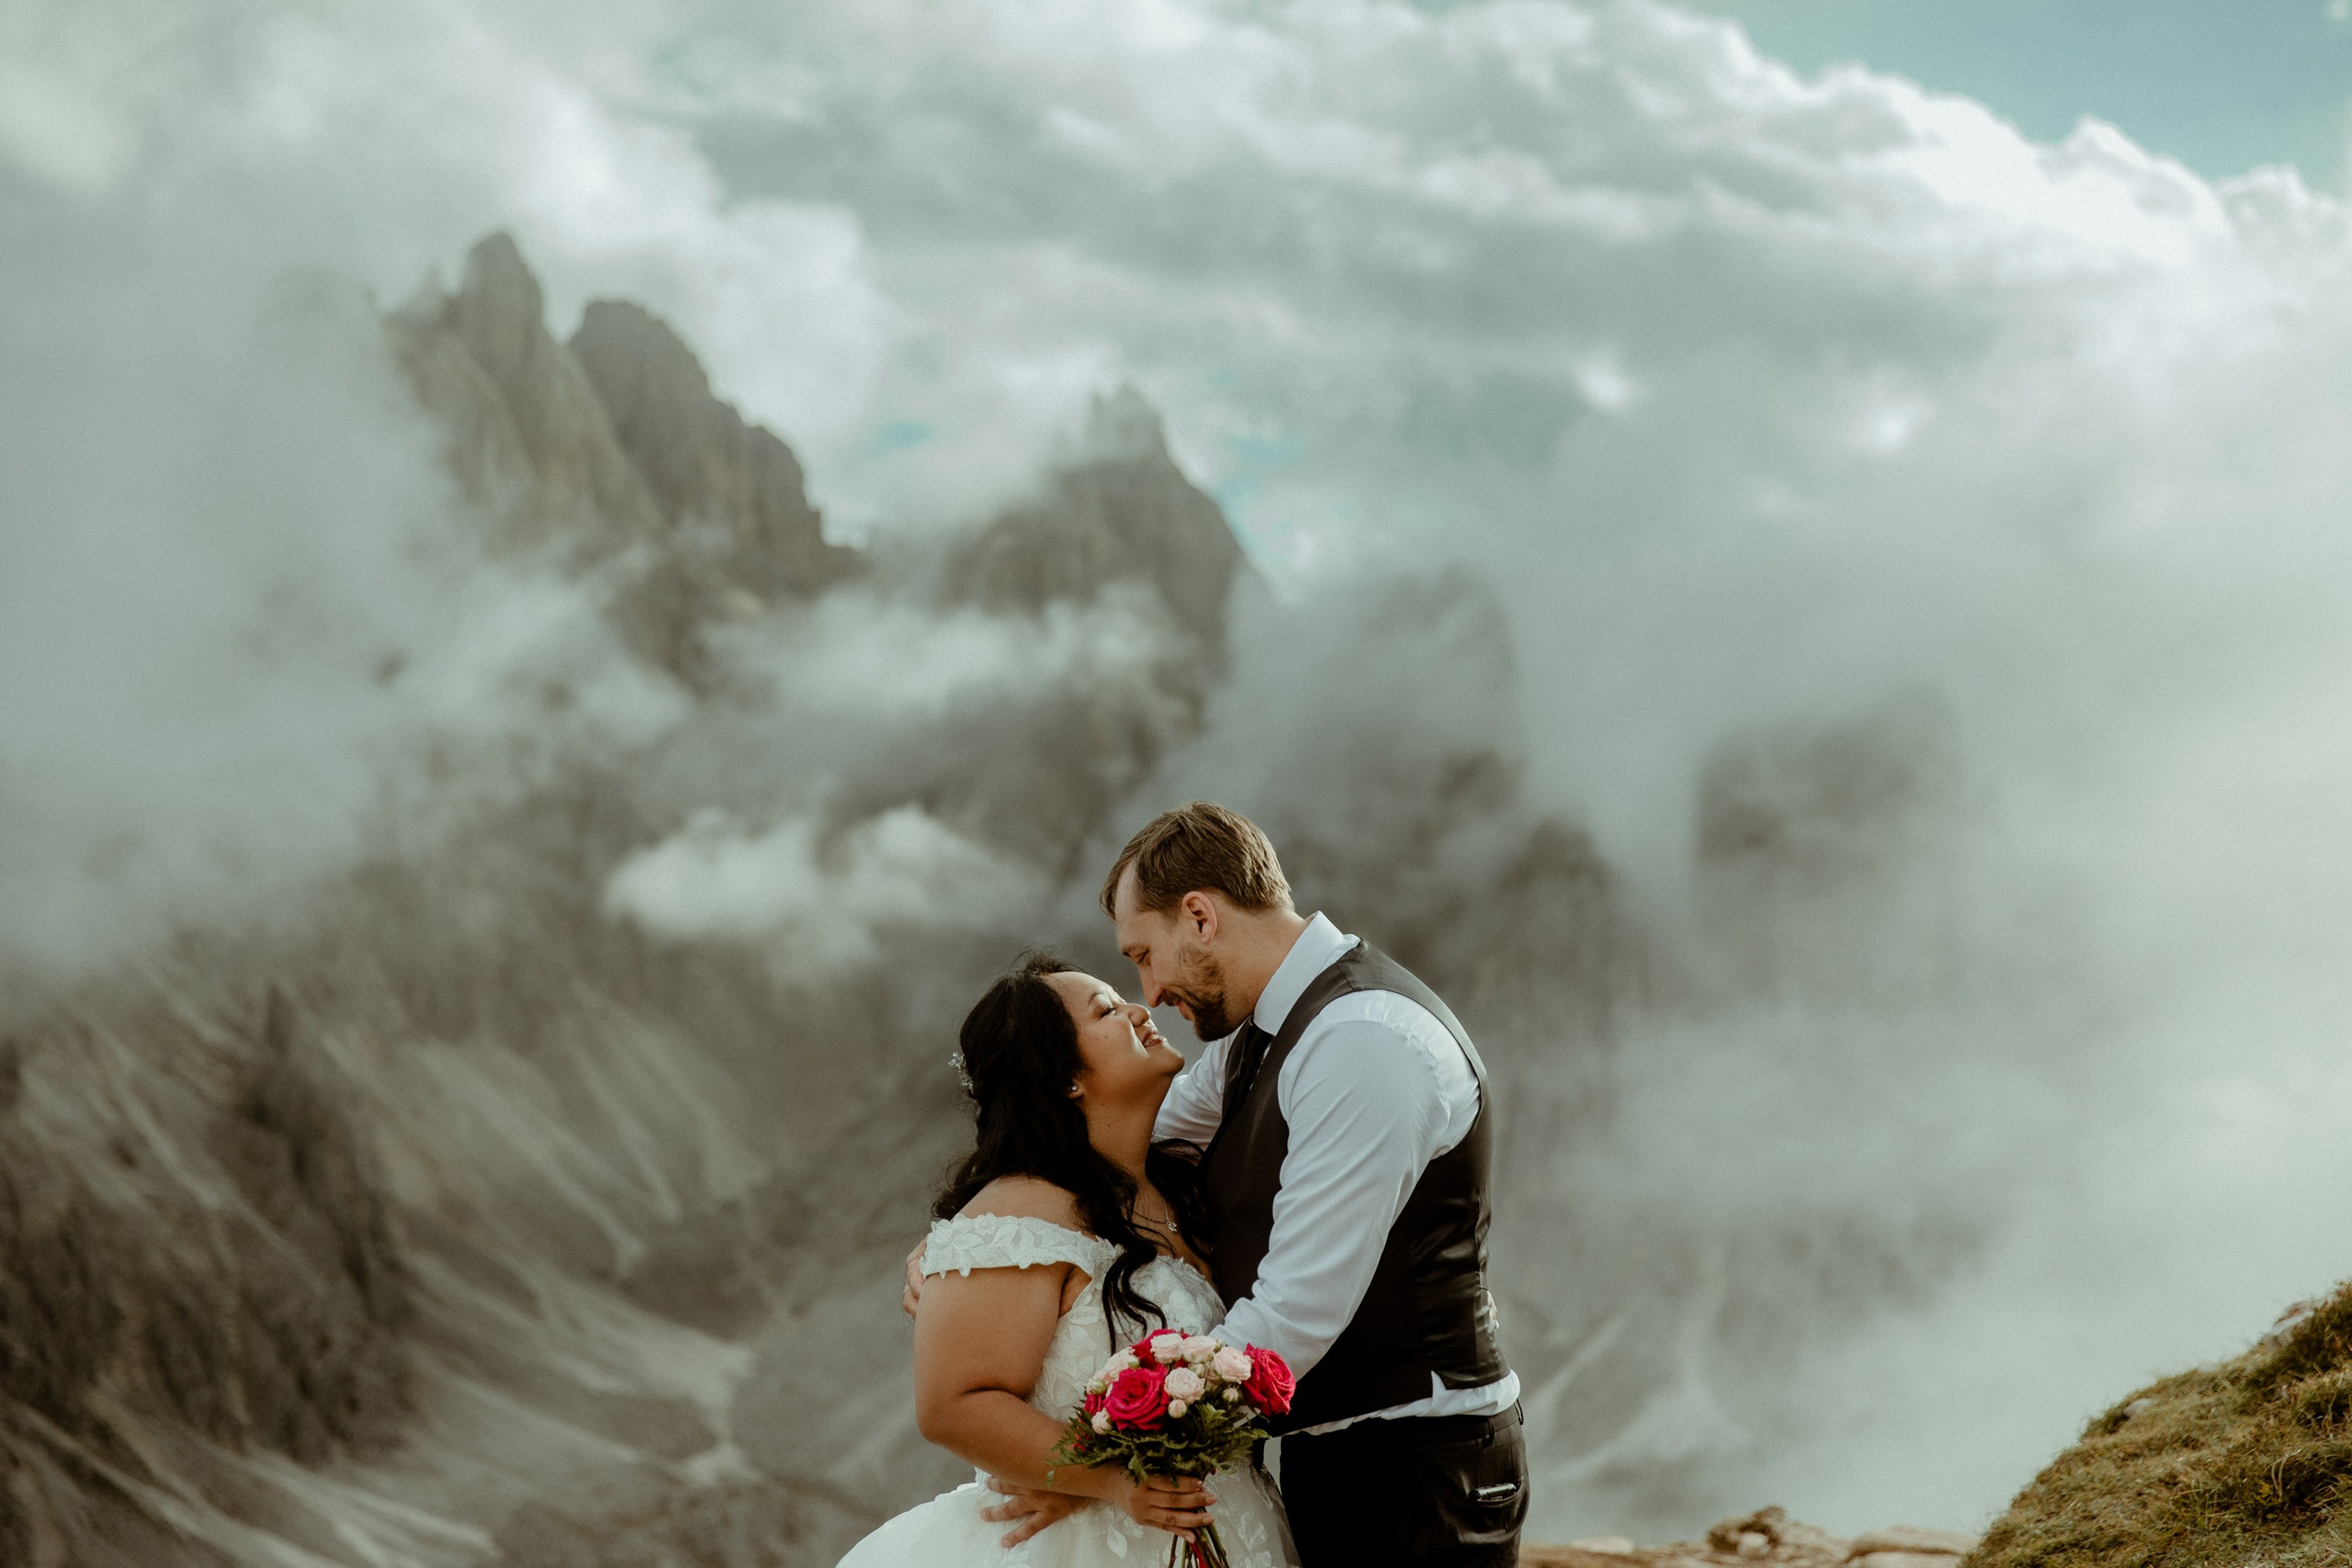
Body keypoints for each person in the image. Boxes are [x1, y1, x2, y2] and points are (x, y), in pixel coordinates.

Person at [915, 802, 1529, 1568]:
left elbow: (1296, 1312)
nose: (1152, 994)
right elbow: (1122, 1133)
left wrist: (1100, 1468)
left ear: (1200, 916)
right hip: (1342, 1461)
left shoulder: (1363, 1043)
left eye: (1145, 954)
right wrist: (970, 1247)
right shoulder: (1261, 1037)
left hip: (1417, 1464)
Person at [841, 953, 1296, 1568]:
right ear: (1064, 1078)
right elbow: (954, 1403)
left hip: (1234, 1527)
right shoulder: (1018, 1214)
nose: (1141, 1009)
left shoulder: (1179, 1180)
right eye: (1107, 1010)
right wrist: (1109, 1480)